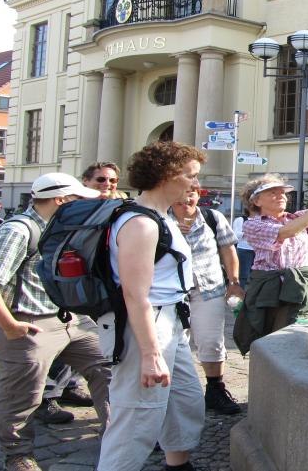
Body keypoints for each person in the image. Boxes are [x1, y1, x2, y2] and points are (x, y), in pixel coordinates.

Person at [0, 173, 111, 471]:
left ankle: (116, 432)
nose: (85, 204)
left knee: (109, 368)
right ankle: (17, 453)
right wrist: (9, 325)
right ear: (61, 200)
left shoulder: (63, 228)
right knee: (23, 391)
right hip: (29, 321)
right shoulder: (18, 230)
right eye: (79, 199)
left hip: (73, 319)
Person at [97, 141, 206, 471]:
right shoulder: (141, 224)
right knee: (136, 417)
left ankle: (178, 464)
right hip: (146, 325)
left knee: (183, 401)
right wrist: (150, 353)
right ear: (167, 176)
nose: (195, 184)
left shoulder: (161, 217)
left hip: (169, 320)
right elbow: (135, 295)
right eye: (190, 176)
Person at [233, 165, 308, 354]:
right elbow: (286, 232)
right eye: (272, 192)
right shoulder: (252, 225)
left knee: (304, 333)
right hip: (271, 292)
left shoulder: (300, 217)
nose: (281, 196)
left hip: (304, 288)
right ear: (256, 200)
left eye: (283, 193)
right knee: (272, 337)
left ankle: (303, 372)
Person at [170, 188, 244, 415]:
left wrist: (234, 281)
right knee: (173, 344)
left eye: (192, 192)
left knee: (211, 341)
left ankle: (215, 390)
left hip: (209, 289)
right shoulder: (159, 218)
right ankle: (173, 395)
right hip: (172, 293)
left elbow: (228, 249)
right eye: (182, 192)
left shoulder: (212, 217)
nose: (187, 197)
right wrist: (170, 234)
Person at [230, 210, 256, 287]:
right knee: (242, 274)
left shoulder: (264, 220)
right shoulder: (240, 219)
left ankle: (253, 295)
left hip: (259, 250)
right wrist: (246, 232)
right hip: (244, 250)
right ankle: (239, 294)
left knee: (257, 275)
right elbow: (234, 236)